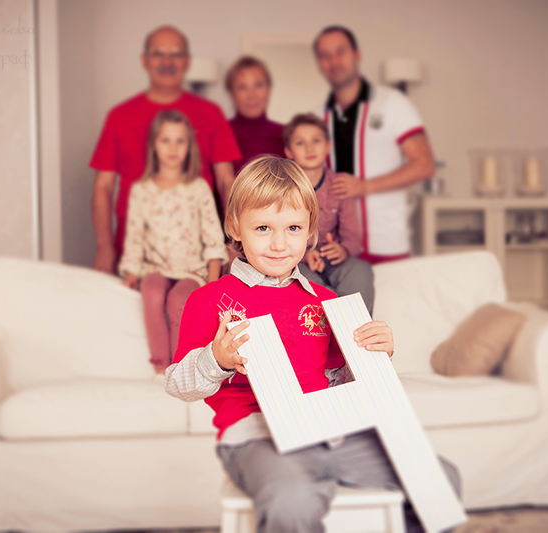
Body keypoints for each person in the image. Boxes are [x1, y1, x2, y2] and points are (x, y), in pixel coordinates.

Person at [164, 156, 459, 532]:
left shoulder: (325, 301)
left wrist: (374, 355)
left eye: (293, 228)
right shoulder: (207, 300)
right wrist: (216, 359)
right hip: (256, 437)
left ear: (310, 232)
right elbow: (178, 384)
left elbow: (339, 379)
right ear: (235, 226)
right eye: (263, 228)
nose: (279, 243)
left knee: (440, 479)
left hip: (331, 432)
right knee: (293, 502)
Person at [90, 25, 241, 274]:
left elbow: (226, 182)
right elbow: (103, 186)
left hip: (196, 255)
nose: (167, 62)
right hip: (135, 253)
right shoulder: (119, 116)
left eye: (176, 54)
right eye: (158, 53)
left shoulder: (210, 113)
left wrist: (235, 241)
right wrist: (103, 247)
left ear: (187, 61)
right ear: (144, 60)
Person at [313, 26, 436, 264]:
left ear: (357, 55)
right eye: (325, 55)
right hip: (331, 248)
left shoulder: (392, 103)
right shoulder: (317, 117)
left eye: (340, 51)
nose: (334, 61)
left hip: (384, 242)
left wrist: (364, 186)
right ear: (319, 64)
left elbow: (424, 164)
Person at [118, 110, 227, 373]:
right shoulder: (142, 190)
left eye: (180, 141)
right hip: (156, 267)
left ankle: (180, 369)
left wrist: (213, 281)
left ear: (189, 147)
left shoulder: (198, 188)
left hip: (192, 269)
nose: (173, 148)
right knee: (152, 291)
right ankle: (161, 367)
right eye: (165, 140)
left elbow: (213, 237)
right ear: (154, 145)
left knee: (179, 299)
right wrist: (131, 272)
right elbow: (135, 237)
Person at [283, 113, 375, 315]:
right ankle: (328, 327)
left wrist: (343, 249)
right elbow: (282, 232)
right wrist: (305, 255)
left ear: (328, 146)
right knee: (303, 284)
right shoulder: (283, 187)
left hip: (334, 257)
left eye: (316, 141)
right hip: (298, 259)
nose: (309, 148)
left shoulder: (340, 184)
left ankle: (356, 328)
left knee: (360, 271)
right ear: (289, 151)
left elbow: (352, 235)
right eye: (300, 143)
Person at [226, 56, 285, 175]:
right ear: (231, 93)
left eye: (258, 85)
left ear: (269, 89)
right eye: (242, 87)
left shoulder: (288, 135)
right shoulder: (220, 133)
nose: (251, 95)